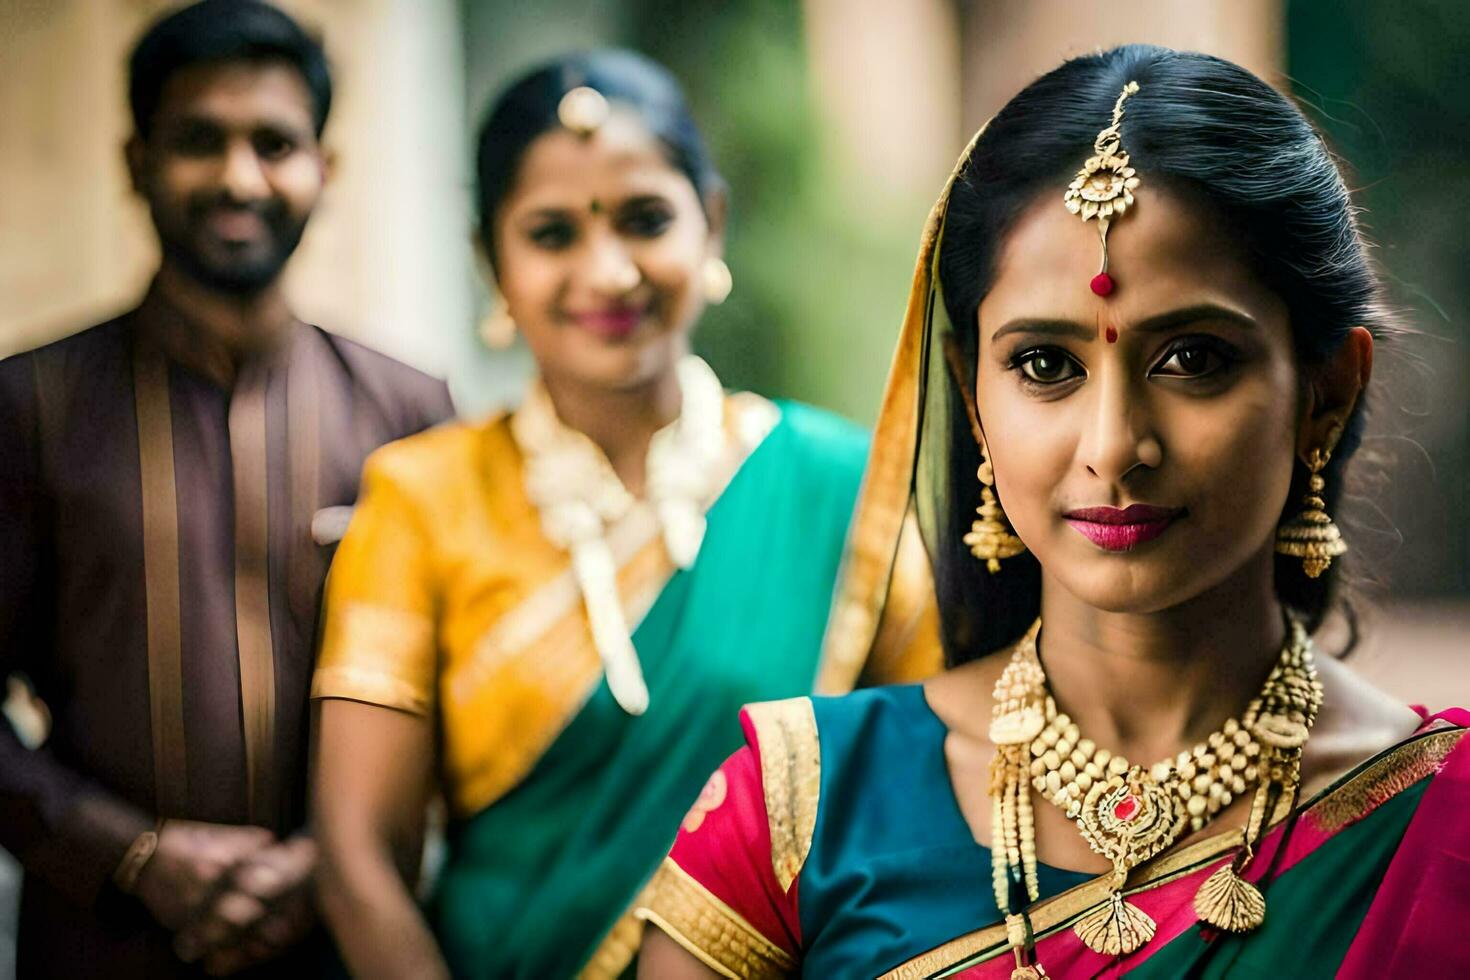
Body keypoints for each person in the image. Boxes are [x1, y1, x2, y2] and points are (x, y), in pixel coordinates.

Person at [637, 44, 1470, 978]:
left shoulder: (1444, 827)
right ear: (971, 391)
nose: (1113, 445)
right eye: (1045, 366)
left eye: (1193, 359)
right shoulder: (795, 810)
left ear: (1328, 391)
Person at [309, 49, 940, 980]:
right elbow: (359, 859)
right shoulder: (420, 497)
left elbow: (934, 789)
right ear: (492, 260)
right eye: (552, 233)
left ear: (711, 224)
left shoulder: (836, 486)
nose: (608, 274)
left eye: (645, 221)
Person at [0, 2, 454, 976]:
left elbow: (467, 695)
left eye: (274, 142)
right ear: (136, 161)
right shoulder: (29, 403)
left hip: (344, 943)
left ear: (325, 169)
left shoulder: (405, 411)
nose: (239, 177)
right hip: (97, 943)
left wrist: (331, 860)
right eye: (198, 141)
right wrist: (132, 854)